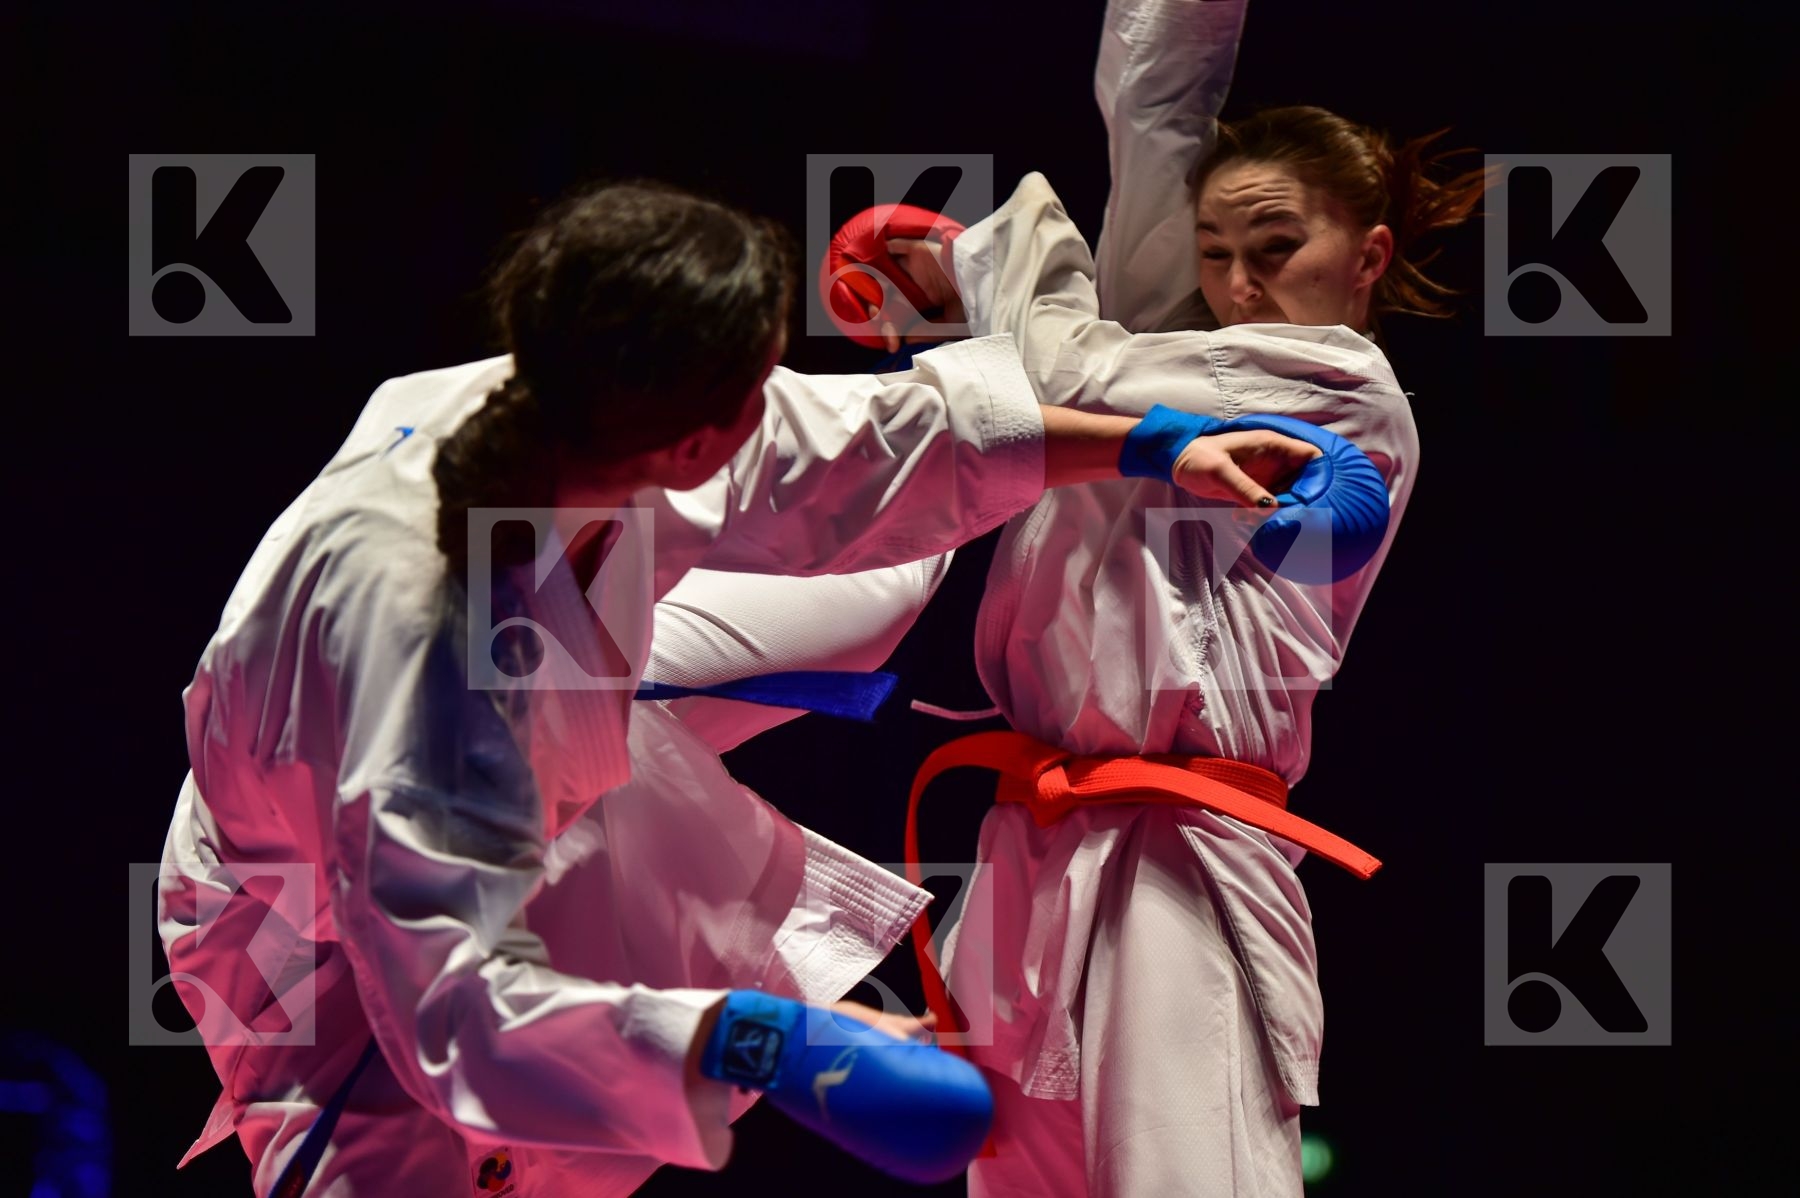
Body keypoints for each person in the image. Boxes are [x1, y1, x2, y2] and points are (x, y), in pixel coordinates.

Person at [154, 176, 1321, 1196]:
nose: (780, 397)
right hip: (319, 920)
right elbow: (458, 1010)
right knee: (437, 1158)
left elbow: (863, 444)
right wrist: (763, 1039)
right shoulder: (419, 659)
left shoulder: (573, 394)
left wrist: (1149, 443)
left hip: (543, 698)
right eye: (758, 382)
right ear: (689, 438)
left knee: (874, 583)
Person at [634, 1, 1490, 1192]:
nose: (1237, 280)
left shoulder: (1343, 384)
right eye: (1214, 249)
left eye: (1276, 247)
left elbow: (1072, 367)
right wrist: (947, 289)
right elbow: (1150, 113)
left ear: (1371, 256)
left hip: (1184, 851)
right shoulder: (1179, 365)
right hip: (1035, 835)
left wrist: (979, 251)